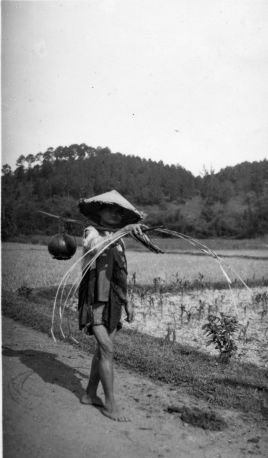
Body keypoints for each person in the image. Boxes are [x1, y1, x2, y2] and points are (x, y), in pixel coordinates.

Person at [78, 190, 146, 421]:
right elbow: (96, 247)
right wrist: (121, 232)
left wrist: (127, 302)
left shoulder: (120, 243)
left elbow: (120, 275)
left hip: (114, 301)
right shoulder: (91, 231)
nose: (115, 214)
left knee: (101, 350)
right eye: (111, 209)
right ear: (100, 211)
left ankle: (89, 394)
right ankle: (110, 404)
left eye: (120, 212)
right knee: (107, 348)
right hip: (95, 300)